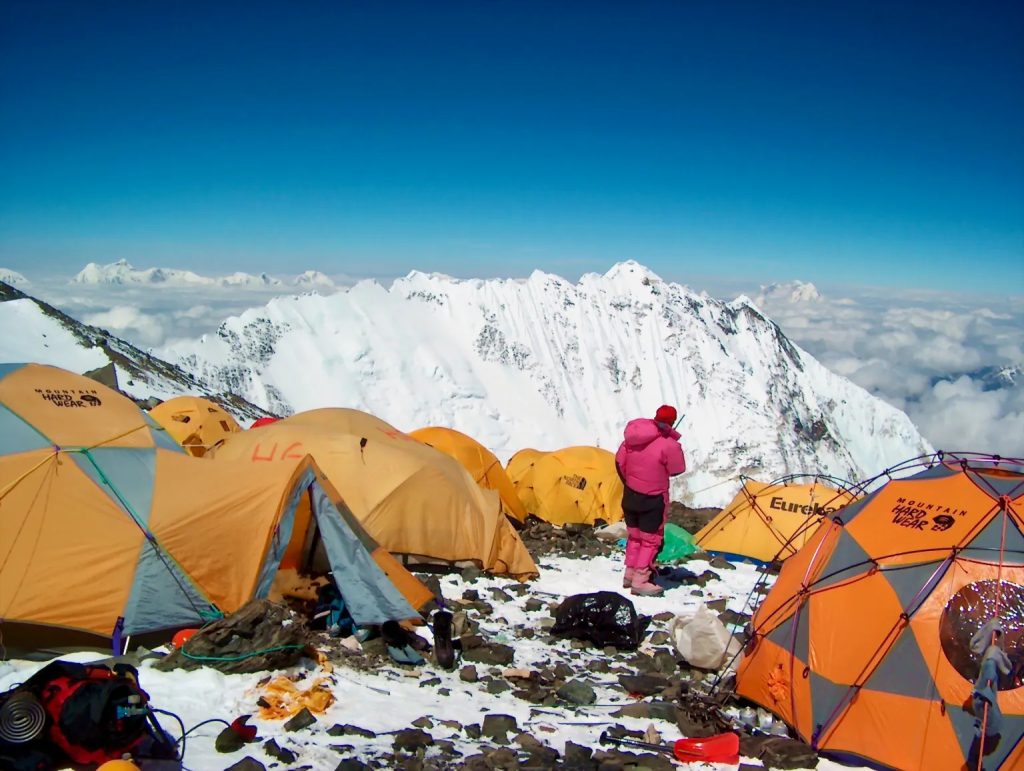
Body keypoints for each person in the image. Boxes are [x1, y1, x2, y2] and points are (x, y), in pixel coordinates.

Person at [615, 404, 686, 596]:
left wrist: (630, 482)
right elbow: (677, 469)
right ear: (672, 422)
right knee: (650, 541)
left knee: (635, 537)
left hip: (630, 495)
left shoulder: (631, 439)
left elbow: (619, 462)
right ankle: (641, 580)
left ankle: (629, 575)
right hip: (653, 498)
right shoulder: (668, 444)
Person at [965, 619, 1011, 771]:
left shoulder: (991, 661)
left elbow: (989, 678)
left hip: (988, 721)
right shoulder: (990, 662)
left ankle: (974, 764)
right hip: (986, 714)